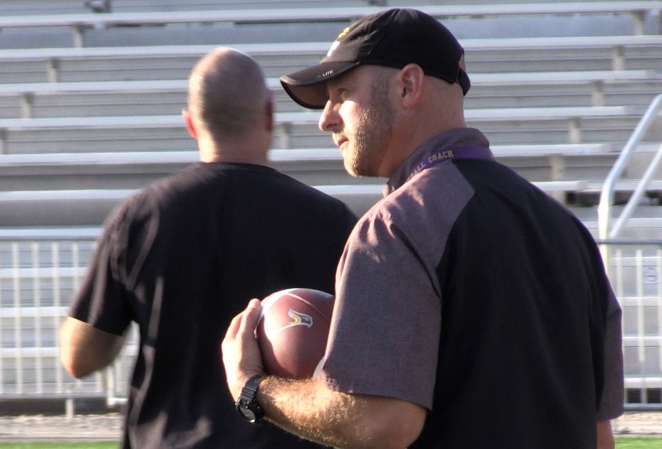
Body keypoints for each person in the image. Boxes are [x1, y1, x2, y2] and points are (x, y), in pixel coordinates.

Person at [221, 9, 624, 449]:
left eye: (342, 93)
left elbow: (380, 422)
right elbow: (599, 435)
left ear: (407, 86)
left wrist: (254, 389)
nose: (327, 118)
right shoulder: (565, 228)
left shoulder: (397, 224)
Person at [60, 47, 358, 449]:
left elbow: (80, 359)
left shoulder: (142, 217)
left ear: (191, 124)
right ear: (269, 114)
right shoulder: (333, 219)